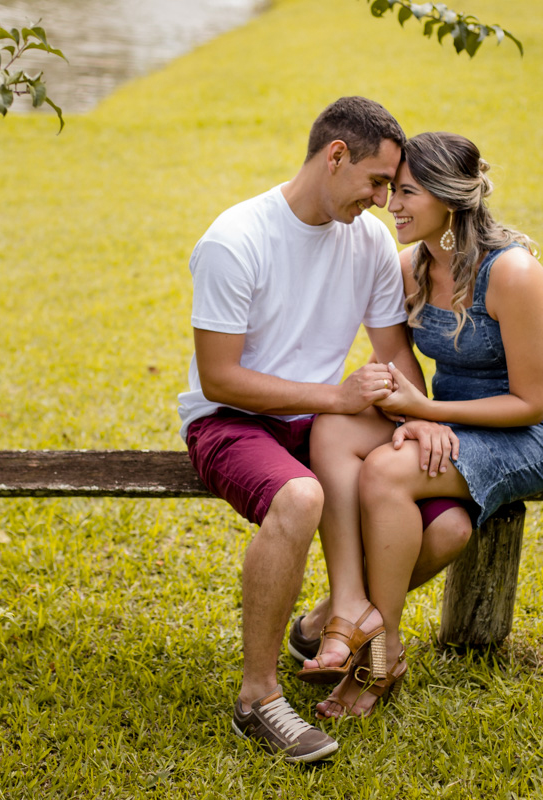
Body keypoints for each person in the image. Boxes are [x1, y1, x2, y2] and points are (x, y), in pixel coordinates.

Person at [178, 98, 472, 763]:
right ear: (334, 156)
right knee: (301, 497)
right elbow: (220, 376)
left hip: (323, 416)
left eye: (391, 188)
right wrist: (335, 397)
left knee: (447, 524)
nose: (382, 202)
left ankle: (323, 624)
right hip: (233, 419)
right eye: (375, 182)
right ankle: (259, 699)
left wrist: (419, 415)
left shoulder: (366, 240)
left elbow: (392, 350)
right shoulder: (236, 239)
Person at [299, 131, 543, 720]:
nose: (390, 204)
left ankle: (382, 650)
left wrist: (427, 415)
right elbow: (397, 368)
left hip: (523, 434)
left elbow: (529, 402)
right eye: (390, 190)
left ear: (449, 199)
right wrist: (414, 414)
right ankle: (346, 603)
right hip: (444, 418)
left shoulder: (513, 274)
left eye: (406, 192)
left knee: (389, 472)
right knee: (337, 429)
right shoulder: (409, 267)